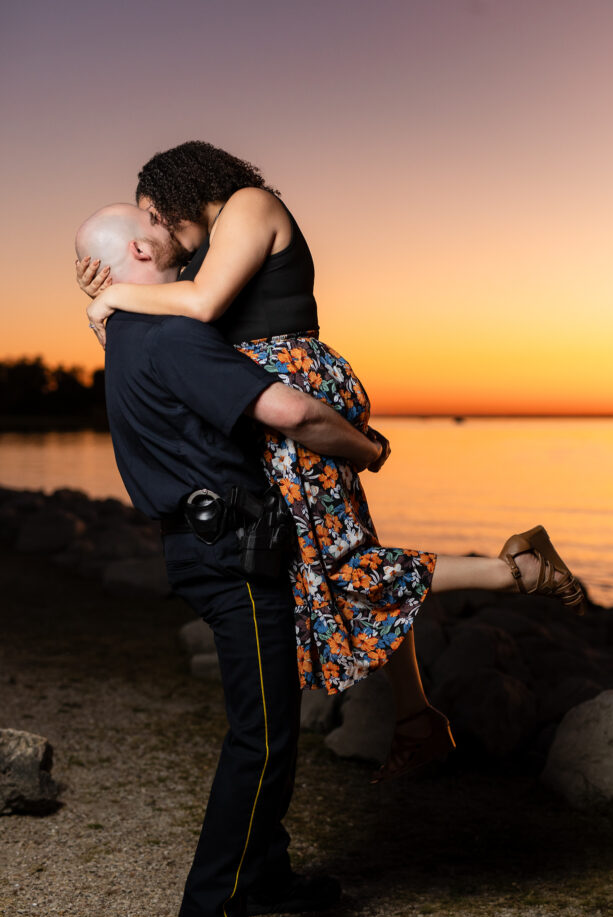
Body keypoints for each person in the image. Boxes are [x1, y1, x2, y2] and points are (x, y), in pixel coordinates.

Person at [78, 142, 584, 782]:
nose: (150, 232)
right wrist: (107, 294)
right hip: (260, 400)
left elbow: (200, 307)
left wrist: (113, 296)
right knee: (327, 558)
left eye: (153, 214)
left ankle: (519, 572)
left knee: (339, 561)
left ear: (180, 190)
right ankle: (415, 717)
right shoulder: (207, 251)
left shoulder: (249, 206)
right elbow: (157, 335)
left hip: (292, 392)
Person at [75, 202, 390, 917]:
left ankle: (264, 875)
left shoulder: (125, 331)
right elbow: (291, 411)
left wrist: (103, 294)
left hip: (208, 545)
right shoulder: (174, 334)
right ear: (146, 246)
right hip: (231, 556)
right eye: (158, 222)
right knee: (263, 736)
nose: (182, 232)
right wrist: (370, 448)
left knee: (267, 723)